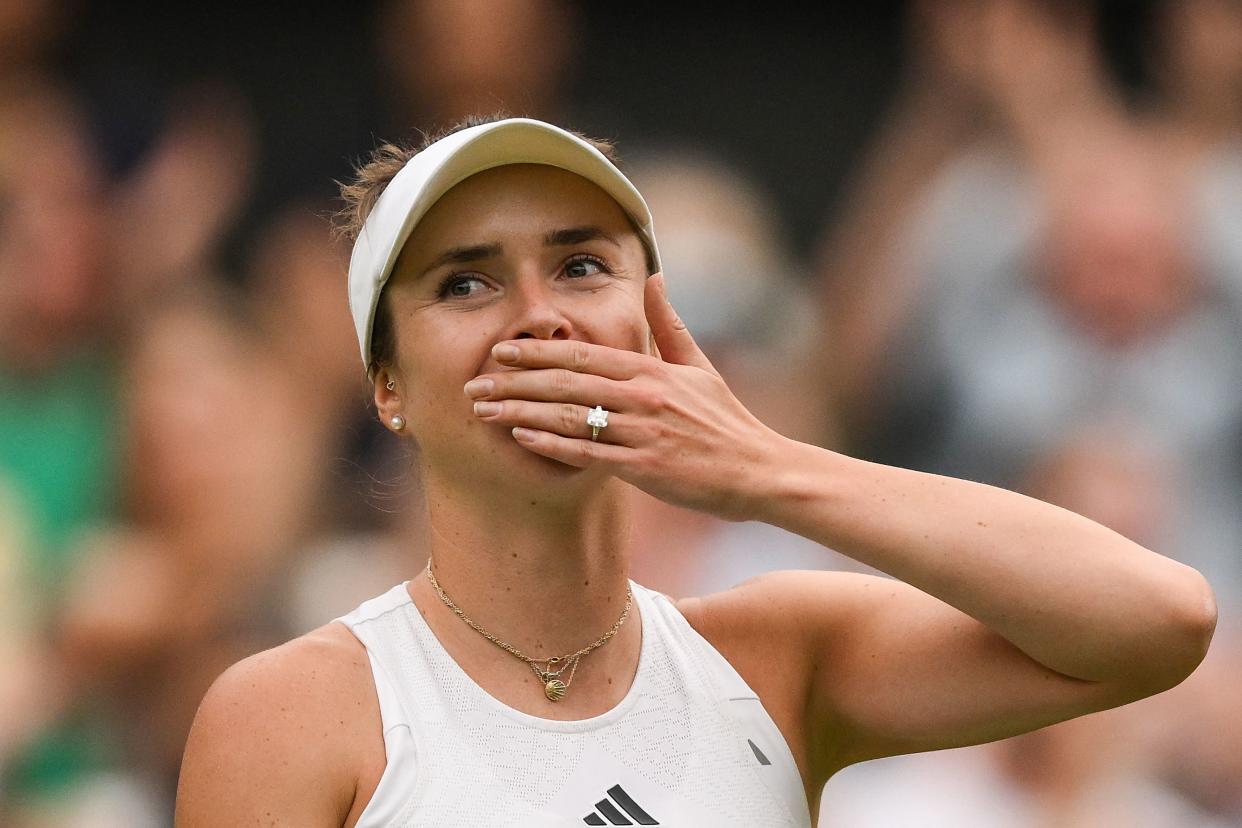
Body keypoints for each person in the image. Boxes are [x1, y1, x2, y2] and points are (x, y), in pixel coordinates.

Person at [173, 116, 1216, 827]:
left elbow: (1155, 620)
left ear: (655, 328)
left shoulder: (779, 656)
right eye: (467, 281)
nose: (540, 314)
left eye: (582, 265)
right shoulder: (288, 714)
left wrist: (762, 466)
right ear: (387, 385)